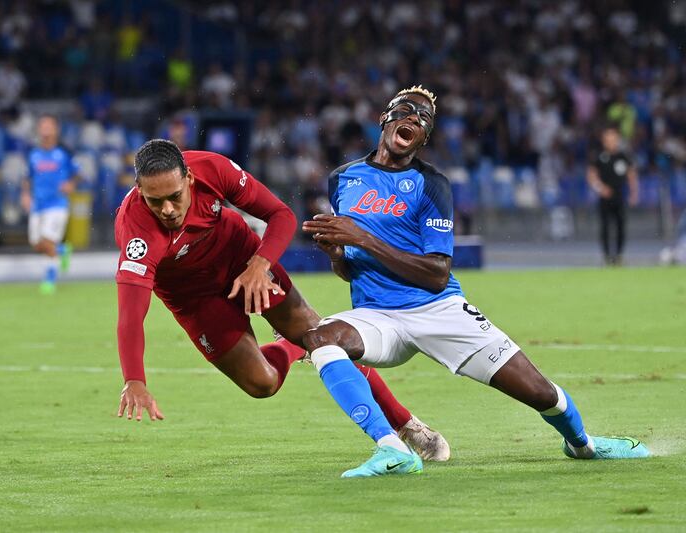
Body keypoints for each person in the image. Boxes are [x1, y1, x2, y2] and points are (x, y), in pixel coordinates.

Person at [301, 86, 650, 478]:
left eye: (424, 119)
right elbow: (351, 268)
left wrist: (362, 238)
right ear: (386, 117)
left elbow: (437, 274)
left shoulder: (431, 184)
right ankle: (391, 448)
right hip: (377, 315)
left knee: (539, 392)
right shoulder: (343, 179)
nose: (415, 118)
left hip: (438, 310)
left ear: (425, 137)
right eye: (407, 110)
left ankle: (583, 444)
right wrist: (337, 254)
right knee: (320, 338)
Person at [113, 139, 450, 461]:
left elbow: (280, 214)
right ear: (139, 190)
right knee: (263, 384)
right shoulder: (137, 235)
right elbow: (131, 317)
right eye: (156, 202)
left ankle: (407, 425)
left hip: (240, 256)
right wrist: (134, 381)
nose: (168, 210)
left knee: (322, 338)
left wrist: (260, 265)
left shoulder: (213, 170)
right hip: (194, 298)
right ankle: (292, 347)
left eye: (174, 196)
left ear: (189, 178)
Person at [21, 115, 76, 294]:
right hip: (38, 204)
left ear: (55, 130)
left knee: (46, 241)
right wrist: (26, 195)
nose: (45, 130)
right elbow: (27, 177)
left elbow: (78, 172)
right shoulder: (33, 154)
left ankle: (50, 280)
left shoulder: (63, 153)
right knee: (37, 243)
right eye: (42, 126)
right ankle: (62, 249)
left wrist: (70, 184)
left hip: (57, 204)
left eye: (48, 126)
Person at [586, 126, 639, 266]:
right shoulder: (599, 157)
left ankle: (619, 255)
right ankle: (607, 256)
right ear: (603, 141)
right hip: (605, 197)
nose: (610, 142)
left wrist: (634, 193)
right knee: (605, 227)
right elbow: (591, 175)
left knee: (621, 226)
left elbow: (631, 175)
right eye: (608, 140)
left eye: (613, 139)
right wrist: (600, 188)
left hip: (619, 195)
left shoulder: (623, 156)